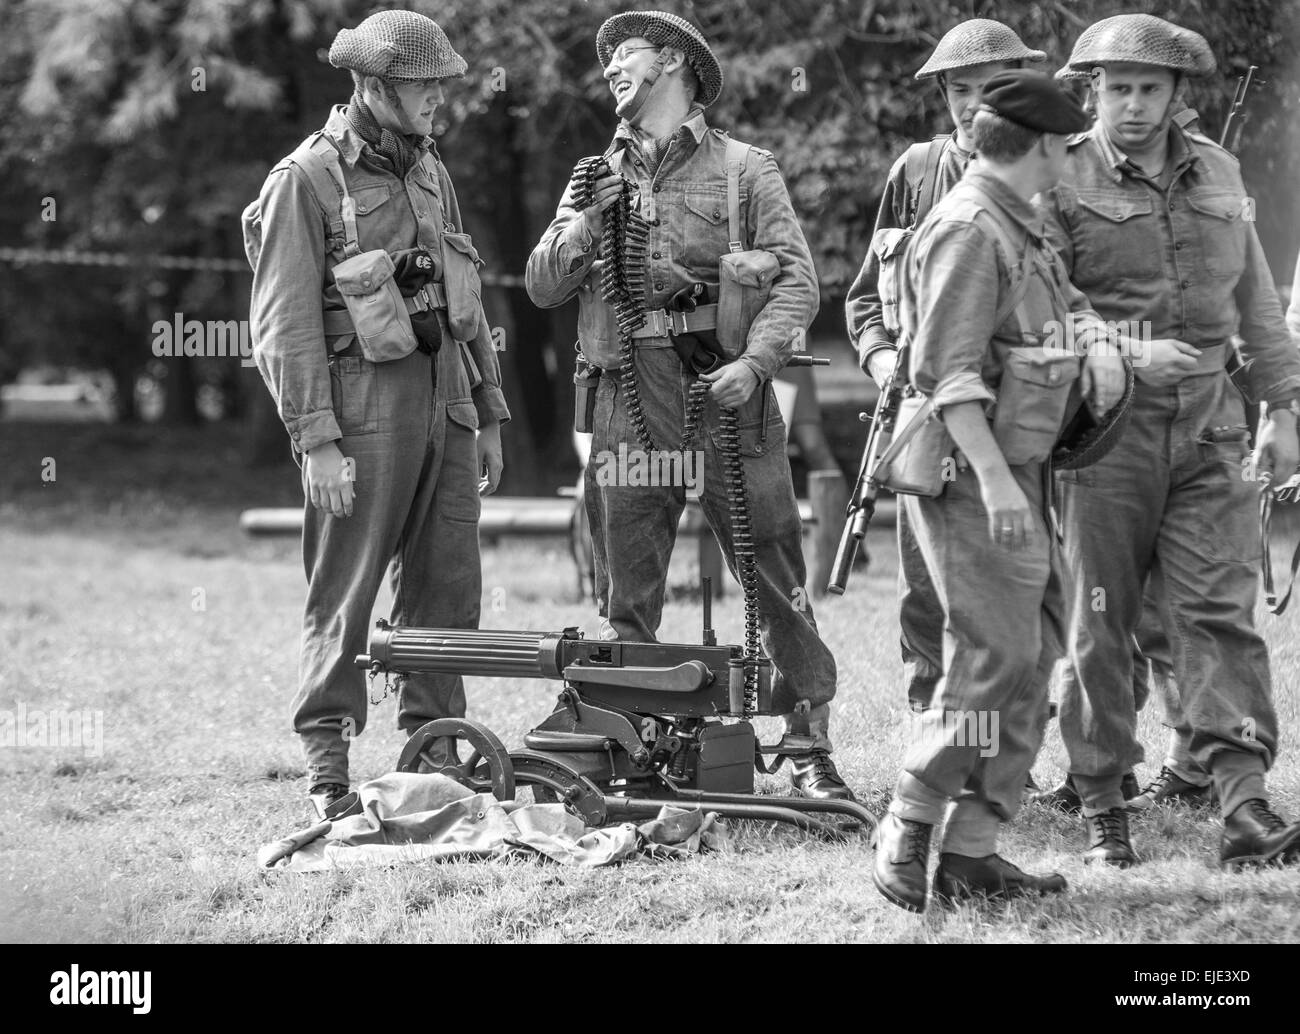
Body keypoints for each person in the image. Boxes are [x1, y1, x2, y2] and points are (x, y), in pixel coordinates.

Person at [526, 10, 852, 800]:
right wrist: (581, 219)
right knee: (626, 586)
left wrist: (756, 362)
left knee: (772, 570)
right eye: (605, 62)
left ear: (673, 60)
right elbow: (542, 287)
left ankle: (808, 746)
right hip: (627, 395)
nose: (610, 69)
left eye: (626, 54)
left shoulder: (745, 168)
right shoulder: (595, 176)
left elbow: (796, 281)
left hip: (726, 392)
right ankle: (624, 746)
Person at [1041, 14, 1300, 869]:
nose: (1135, 106)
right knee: (1101, 620)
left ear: (1178, 95)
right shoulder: (1061, 173)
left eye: (1152, 89)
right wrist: (1114, 347)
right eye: (1118, 89)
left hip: (1210, 423)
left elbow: (1256, 300)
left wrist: (1285, 408)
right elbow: (1038, 303)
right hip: (1102, 431)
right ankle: (1102, 801)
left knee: (1219, 614)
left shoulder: (1219, 170)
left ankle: (1243, 803)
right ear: (1092, 92)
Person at [872, 70, 1125, 912]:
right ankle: (909, 821)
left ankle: (975, 847)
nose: (1071, 159)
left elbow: (1067, 305)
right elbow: (942, 373)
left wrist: (1097, 341)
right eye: (1067, 147)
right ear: (1046, 146)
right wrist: (996, 483)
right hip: (968, 472)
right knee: (996, 653)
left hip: (1017, 467)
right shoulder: (968, 230)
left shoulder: (1024, 221)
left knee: (1041, 642)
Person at [247, 10, 510, 820]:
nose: (440, 99)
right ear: (373, 86)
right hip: (359, 409)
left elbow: (463, 301)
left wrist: (489, 410)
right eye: (425, 85)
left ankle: (434, 751)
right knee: (347, 588)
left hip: (448, 402)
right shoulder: (306, 179)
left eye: (441, 84)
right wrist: (316, 441)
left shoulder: (432, 169)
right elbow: (284, 324)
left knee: (447, 591)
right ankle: (328, 769)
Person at [845, 19, 1045, 715]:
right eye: (960, 89)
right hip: (926, 409)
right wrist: (880, 367)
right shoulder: (918, 171)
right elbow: (866, 296)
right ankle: (930, 718)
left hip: (1025, 409)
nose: (973, 103)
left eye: (991, 87)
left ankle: (1032, 735)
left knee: (1036, 580)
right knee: (925, 586)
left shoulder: (1048, 167)